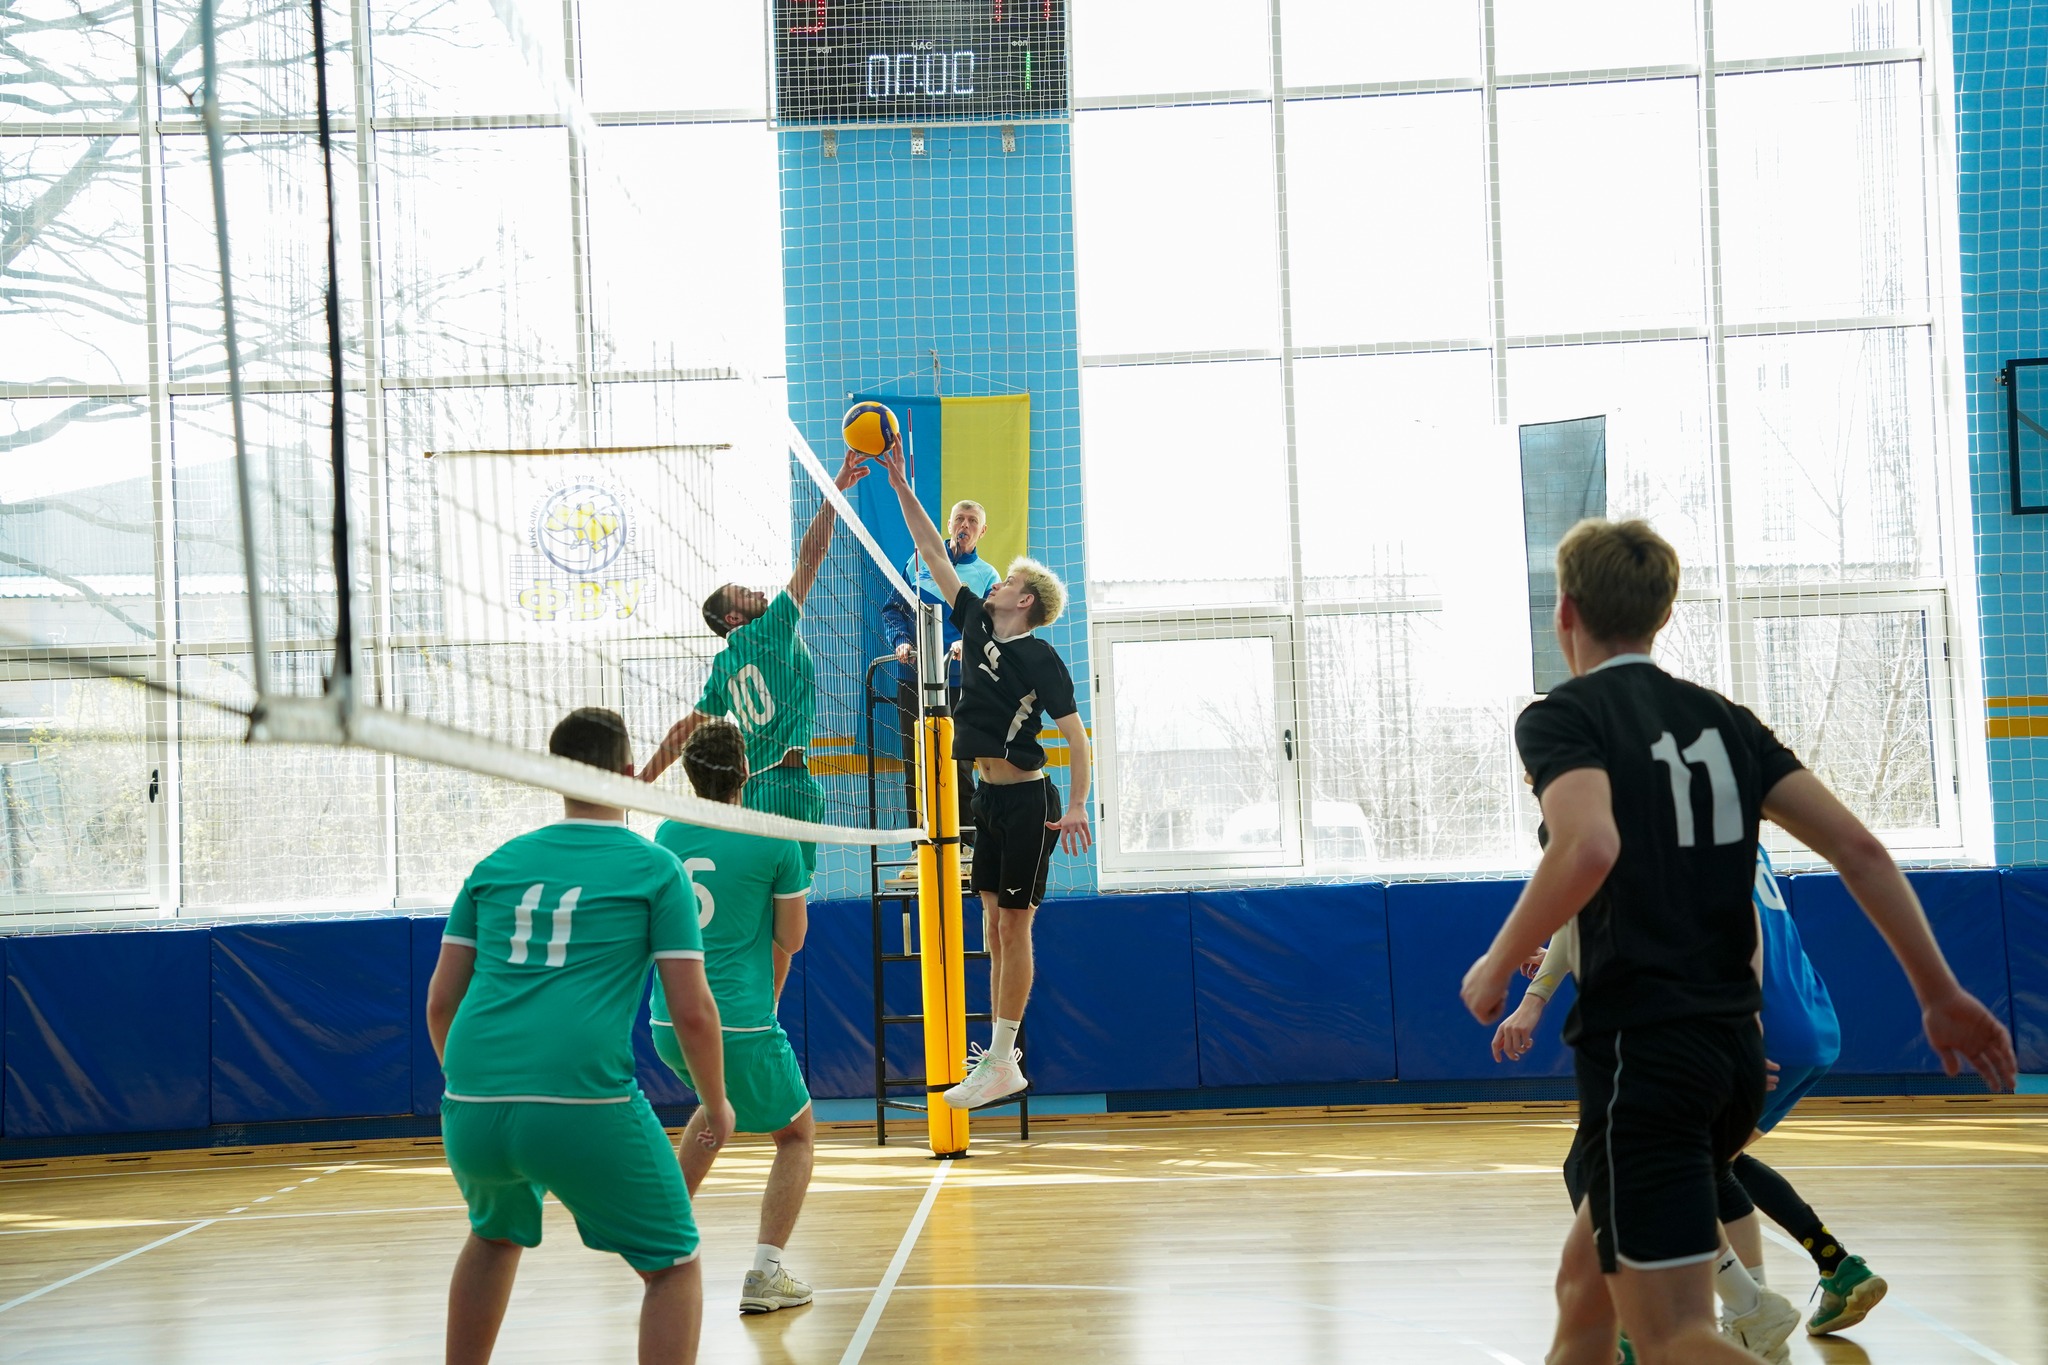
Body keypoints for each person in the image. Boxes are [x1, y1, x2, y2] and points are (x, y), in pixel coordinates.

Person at [1458, 518, 2015, 1365]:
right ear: (1664, 613)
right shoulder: (1728, 722)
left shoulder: (1562, 717)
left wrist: (1497, 963)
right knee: (1582, 1288)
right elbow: (1861, 850)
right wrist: (1939, 991)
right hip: (1730, 1052)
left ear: (1564, 610)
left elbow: (1587, 844)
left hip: (1646, 1053)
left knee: (1673, 1335)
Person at [425, 707, 735, 1365]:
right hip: (581, 1097)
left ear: (553, 773)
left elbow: (440, 1002)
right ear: (629, 772)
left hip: (472, 1100)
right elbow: (692, 1011)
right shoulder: (655, 869)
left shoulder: (494, 864)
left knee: (493, 1236)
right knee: (674, 1264)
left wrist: (475, 1085)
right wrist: (717, 1103)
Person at [1494, 847, 1868, 1360]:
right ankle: (1779, 1299)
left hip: (1737, 1027)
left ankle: (1711, 1312)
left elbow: (1712, 926)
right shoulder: (1721, 831)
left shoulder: (1638, 828)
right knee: (1711, 1166)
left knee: (1612, 1169)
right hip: (1808, 1020)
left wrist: (1741, 1028)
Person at [874, 437, 1092, 1111]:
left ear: (1023, 601)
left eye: (1008, 583)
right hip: (987, 803)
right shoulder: (973, 619)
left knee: (1014, 928)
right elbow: (932, 550)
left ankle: (1001, 1058)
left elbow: (1077, 740)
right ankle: (1000, 1058)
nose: (995, 584)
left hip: (1028, 802)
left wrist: (1076, 805)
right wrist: (899, 482)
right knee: (993, 928)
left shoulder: (1041, 658)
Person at [646, 719, 817, 1317]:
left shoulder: (666, 834)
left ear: (690, 775)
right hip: (737, 1021)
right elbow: (792, 938)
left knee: (715, 1106)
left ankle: (660, 1236)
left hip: (669, 1022)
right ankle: (766, 1275)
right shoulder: (775, 837)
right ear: (746, 771)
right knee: (796, 1136)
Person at [642, 449, 870, 878]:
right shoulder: (772, 627)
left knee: (760, 899)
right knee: (791, 904)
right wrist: (835, 490)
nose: (759, 593)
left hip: (748, 794)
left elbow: (681, 732)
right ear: (733, 618)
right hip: (789, 787)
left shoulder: (723, 665)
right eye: (746, 594)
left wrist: (641, 783)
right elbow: (812, 554)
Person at [882, 497, 1001, 830]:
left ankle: (965, 843)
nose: (965, 525)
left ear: (982, 531)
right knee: (916, 762)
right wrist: (901, 640)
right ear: (949, 524)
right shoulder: (918, 561)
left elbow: (992, 625)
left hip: (962, 681)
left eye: (973, 521)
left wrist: (969, 640)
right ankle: (918, 844)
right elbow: (892, 610)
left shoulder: (987, 575)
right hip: (915, 677)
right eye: (959, 519)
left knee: (960, 765)